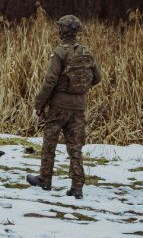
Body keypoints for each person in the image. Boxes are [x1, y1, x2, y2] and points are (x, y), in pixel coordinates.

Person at [26, 15, 102, 199]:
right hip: (79, 107)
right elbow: (97, 78)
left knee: (49, 143)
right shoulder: (87, 52)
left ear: (63, 31)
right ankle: (77, 186)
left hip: (59, 106)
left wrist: (39, 104)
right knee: (75, 147)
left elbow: (50, 80)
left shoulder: (60, 52)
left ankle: (45, 179)